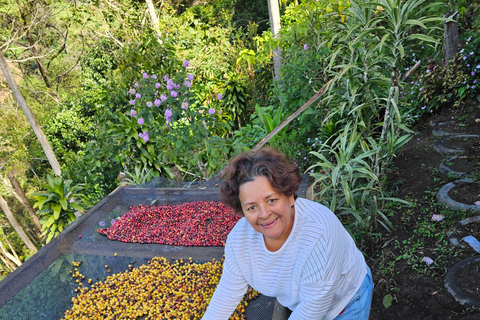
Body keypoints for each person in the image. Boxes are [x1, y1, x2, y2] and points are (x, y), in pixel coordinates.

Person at [201, 148, 373, 320]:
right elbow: (227, 293)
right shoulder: (240, 241)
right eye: (252, 207)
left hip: (345, 302)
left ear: (290, 196)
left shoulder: (319, 235)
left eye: (272, 200)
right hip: (303, 300)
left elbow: (311, 309)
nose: (264, 214)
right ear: (242, 211)